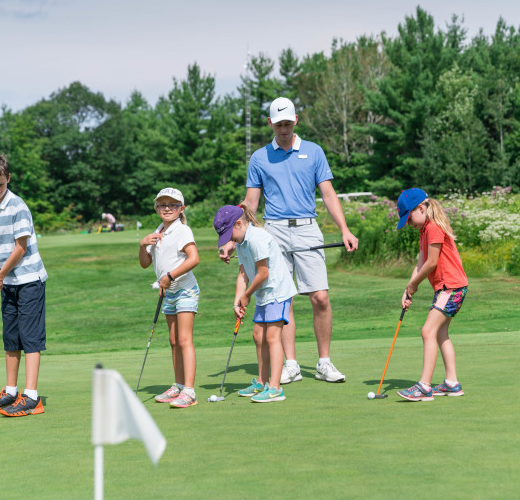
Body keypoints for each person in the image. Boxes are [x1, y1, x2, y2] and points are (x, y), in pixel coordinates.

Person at [220, 96, 358, 385]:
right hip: (274, 231)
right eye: (277, 123)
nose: (283, 128)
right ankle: (291, 364)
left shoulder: (314, 151)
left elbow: (329, 194)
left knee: (320, 296)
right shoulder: (259, 157)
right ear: (270, 123)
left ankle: (323, 363)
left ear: (296, 121)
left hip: (308, 227)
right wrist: (234, 237)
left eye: (287, 123)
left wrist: (344, 229)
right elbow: (251, 202)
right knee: (284, 298)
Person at [0, 155, 48, 417]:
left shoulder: (18, 206)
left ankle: (31, 397)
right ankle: (10, 391)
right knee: (11, 337)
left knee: (30, 336)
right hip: (8, 283)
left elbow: (21, 248)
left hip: (29, 280)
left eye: (0, 184)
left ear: (8, 178)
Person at [214, 204, 297, 403]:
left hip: (277, 291)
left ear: (239, 224)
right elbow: (243, 274)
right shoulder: (242, 242)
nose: (230, 240)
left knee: (272, 336)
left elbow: (263, 273)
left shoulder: (257, 239)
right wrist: (237, 301)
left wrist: (247, 295)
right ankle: (262, 382)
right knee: (258, 335)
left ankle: (276, 388)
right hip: (263, 292)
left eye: (230, 234)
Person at [394, 188, 468, 401]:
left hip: (451, 288)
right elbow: (421, 262)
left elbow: (432, 262)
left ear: (421, 208)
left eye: (410, 218)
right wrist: (409, 288)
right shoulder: (424, 231)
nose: (409, 223)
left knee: (428, 331)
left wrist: (413, 285)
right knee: (439, 333)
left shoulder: (433, 228)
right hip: (447, 288)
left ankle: (424, 387)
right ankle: (452, 383)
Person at [139, 187, 200, 408]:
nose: (167, 208)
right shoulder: (158, 232)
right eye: (162, 204)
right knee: (173, 341)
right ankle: (179, 385)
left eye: (173, 205)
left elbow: (194, 259)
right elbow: (145, 263)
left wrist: (170, 276)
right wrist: (143, 244)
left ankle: (190, 391)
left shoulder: (182, 230)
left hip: (185, 290)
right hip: (169, 292)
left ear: (181, 209)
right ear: (156, 208)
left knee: (184, 340)